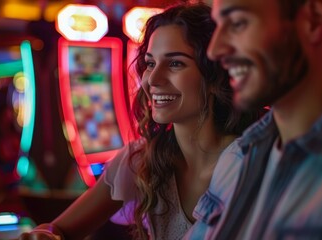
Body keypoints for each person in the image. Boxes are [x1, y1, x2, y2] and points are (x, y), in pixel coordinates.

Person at [19, 3, 258, 240]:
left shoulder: (251, 162)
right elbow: (59, 230)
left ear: (215, 74)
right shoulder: (141, 160)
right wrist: (44, 235)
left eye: (175, 63)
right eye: (150, 63)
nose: (152, 79)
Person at [184, 0, 322, 239]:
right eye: (219, 24)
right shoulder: (237, 156)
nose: (214, 50)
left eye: (238, 23)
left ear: (314, 21)